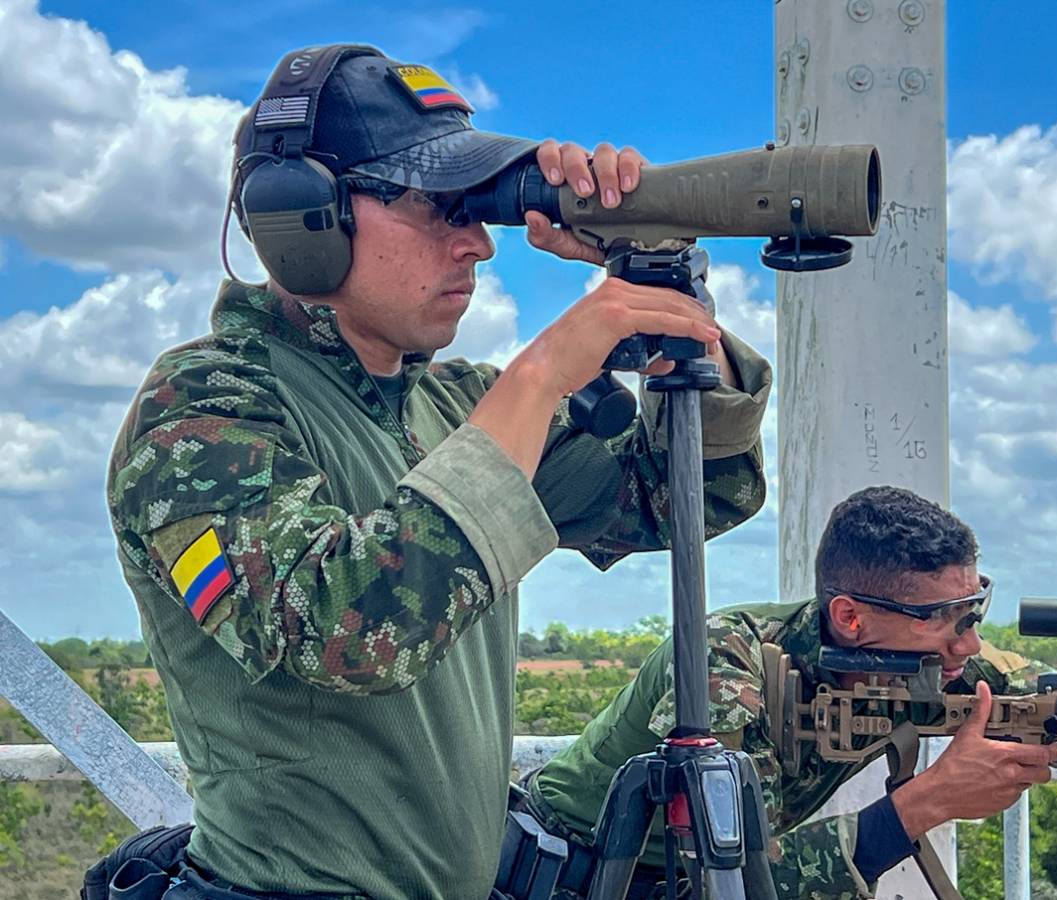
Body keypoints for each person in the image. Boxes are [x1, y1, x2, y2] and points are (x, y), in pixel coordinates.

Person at [103, 44, 771, 900]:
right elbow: (341, 631)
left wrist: (653, 271)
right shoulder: (202, 407)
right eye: (438, 208)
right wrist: (541, 374)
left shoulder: (455, 406)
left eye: (478, 209)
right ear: (303, 214)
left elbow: (683, 498)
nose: (477, 247)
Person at [524, 485, 1057, 899]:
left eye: (973, 612)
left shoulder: (934, 663)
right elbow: (736, 879)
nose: (969, 643)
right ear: (851, 618)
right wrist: (928, 801)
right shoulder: (728, 660)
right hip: (571, 877)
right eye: (944, 619)